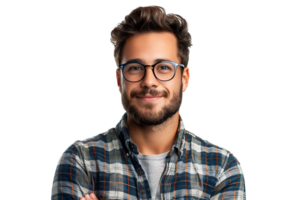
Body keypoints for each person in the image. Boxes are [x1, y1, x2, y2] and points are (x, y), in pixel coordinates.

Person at [49, 5, 248, 200]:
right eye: (135, 67)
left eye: (163, 67)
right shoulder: (80, 160)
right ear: (118, 79)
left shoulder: (223, 167)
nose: (149, 81)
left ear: (185, 79)